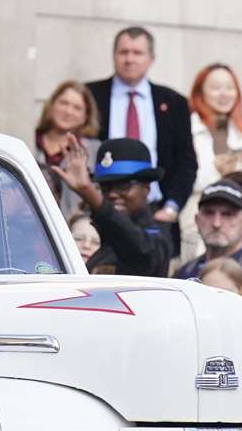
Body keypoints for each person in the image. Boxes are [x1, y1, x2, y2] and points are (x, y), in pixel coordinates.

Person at [86, 28, 195, 238]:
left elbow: (186, 162)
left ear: (151, 58)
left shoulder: (173, 102)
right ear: (113, 55)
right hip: (101, 209)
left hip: (156, 214)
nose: (129, 59)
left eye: (137, 53)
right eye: (123, 52)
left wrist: (171, 208)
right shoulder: (91, 95)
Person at [182, 64, 242, 265]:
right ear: (200, 92)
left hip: (236, 226)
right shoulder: (186, 128)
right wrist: (220, 173)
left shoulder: (241, 131)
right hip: (197, 223)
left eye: (229, 87)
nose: (224, 94)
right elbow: (183, 178)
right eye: (216, 87)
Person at [176, 180, 242, 317]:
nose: (216, 223)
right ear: (197, 220)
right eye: (209, 213)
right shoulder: (184, 274)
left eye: (227, 214)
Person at [87, 137, 170, 277]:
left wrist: (89, 194)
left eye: (123, 186)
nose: (112, 194)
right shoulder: (105, 247)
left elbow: (140, 250)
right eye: (105, 187)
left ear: (146, 187)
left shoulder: (155, 240)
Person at [34, 80, 103, 221]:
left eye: (77, 108)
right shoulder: (28, 141)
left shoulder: (94, 151)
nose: (68, 111)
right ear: (51, 105)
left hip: (74, 232)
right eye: (63, 103)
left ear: (86, 116)